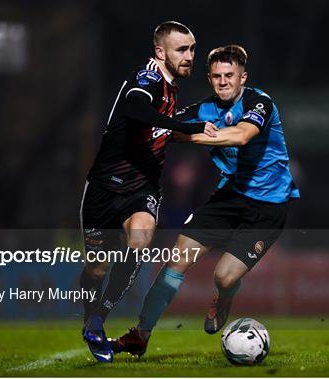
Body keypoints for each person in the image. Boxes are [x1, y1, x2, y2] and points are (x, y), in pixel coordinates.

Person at [109, 44, 299, 357]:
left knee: (223, 277)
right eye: (216, 76)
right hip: (228, 197)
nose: (223, 81)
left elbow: (240, 136)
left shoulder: (259, 102)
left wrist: (196, 135)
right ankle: (140, 335)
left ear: (242, 77)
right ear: (210, 79)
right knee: (177, 259)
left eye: (229, 75)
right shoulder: (203, 109)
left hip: (268, 206)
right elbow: (167, 129)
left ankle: (224, 298)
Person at [79, 21, 217, 363]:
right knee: (97, 269)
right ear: (160, 52)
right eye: (181, 50)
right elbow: (135, 108)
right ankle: (89, 315)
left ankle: (99, 318)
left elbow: (160, 124)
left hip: (141, 187)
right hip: (103, 188)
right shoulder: (150, 78)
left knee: (140, 240)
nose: (189, 57)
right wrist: (186, 126)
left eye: (192, 49)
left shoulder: (172, 87)